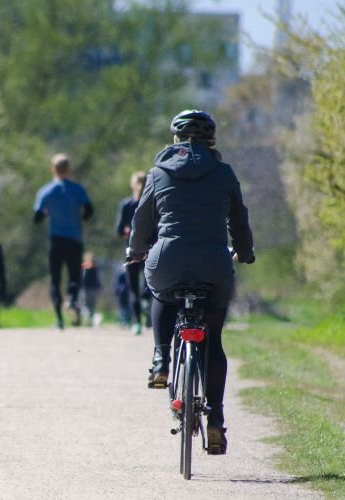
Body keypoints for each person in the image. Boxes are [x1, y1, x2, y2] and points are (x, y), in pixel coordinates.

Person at [127, 110, 254, 455]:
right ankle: (215, 420)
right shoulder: (224, 172)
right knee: (213, 340)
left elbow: (141, 221)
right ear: (211, 141)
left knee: (161, 293)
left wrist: (135, 251)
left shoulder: (158, 172)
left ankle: (161, 360)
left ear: (175, 139)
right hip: (214, 264)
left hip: (168, 260)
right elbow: (239, 220)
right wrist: (244, 252)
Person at [33, 153, 94, 329]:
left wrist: (47, 213)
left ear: (53, 169)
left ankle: (59, 320)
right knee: (75, 275)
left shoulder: (46, 191)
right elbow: (89, 210)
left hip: (55, 239)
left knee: (55, 279)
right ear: (68, 169)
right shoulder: (78, 189)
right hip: (74, 238)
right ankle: (73, 298)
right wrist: (80, 218)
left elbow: (37, 217)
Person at [115, 171, 151, 335]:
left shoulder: (127, 204)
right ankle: (147, 305)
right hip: (151, 250)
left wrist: (126, 230)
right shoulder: (152, 203)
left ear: (132, 185)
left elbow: (119, 230)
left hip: (132, 251)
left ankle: (136, 322)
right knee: (150, 283)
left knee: (133, 289)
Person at [80, 252, 102, 326]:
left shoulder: (84, 267)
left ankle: (89, 319)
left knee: (86, 305)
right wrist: (99, 286)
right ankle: (90, 319)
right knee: (90, 306)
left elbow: (82, 279)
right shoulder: (94, 267)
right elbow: (97, 279)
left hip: (87, 289)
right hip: (91, 289)